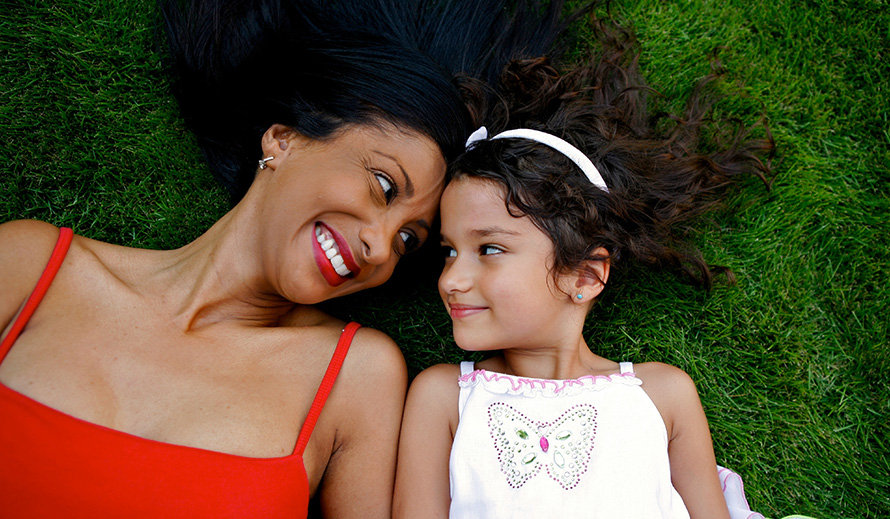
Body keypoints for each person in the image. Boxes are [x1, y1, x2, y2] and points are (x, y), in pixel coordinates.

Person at [0, 0, 572, 516]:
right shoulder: (31, 267)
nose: (378, 246)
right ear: (284, 138)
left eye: (408, 241)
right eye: (382, 184)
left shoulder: (355, 377)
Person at [393, 14, 775, 519]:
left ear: (586, 275)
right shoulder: (444, 398)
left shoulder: (662, 395)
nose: (451, 280)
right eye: (448, 250)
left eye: (489, 249)